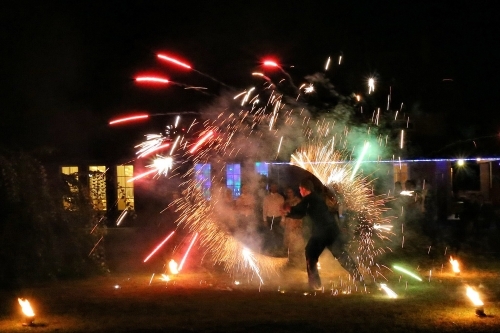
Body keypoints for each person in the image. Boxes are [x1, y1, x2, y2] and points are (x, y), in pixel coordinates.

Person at [283, 179, 361, 290]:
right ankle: (359, 278)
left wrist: (288, 209)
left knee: (310, 254)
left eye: (300, 189)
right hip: (332, 230)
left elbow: (298, 212)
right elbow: (301, 212)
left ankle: (315, 285)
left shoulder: (309, 199)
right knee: (341, 255)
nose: (299, 191)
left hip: (322, 232)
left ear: (304, 189)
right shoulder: (317, 197)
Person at [262, 181, 285, 254]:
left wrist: (283, 219)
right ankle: (270, 249)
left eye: (275, 186)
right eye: (272, 186)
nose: (274, 188)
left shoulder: (280, 197)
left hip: (278, 218)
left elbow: (283, 209)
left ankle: (278, 248)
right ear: (270, 188)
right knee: (269, 234)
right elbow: (264, 209)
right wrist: (264, 220)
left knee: (278, 234)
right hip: (269, 218)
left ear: (277, 188)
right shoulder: (267, 198)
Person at [283, 186, 304, 265]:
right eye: (287, 192)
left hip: (296, 223)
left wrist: (299, 223)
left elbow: (301, 213)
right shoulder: (286, 202)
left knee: (297, 242)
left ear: (293, 192)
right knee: (289, 242)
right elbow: (284, 213)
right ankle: (291, 261)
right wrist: (284, 220)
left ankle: (299, 261)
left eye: (290, 192)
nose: (289, 194)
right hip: (288, 224)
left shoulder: (298, 201)